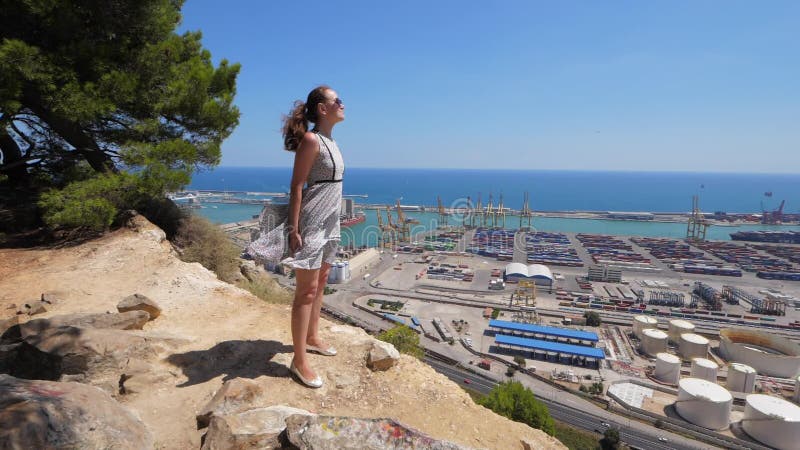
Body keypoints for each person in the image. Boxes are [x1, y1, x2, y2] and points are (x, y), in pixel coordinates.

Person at [281, 85, 345, 388]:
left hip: (331, 221)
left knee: (321, 279)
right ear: (323, 108)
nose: (343, 105)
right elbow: (296, 186)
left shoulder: (331, 140)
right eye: (338, 101)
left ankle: (312, 337)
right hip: (311, 221)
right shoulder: (311, 140)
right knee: (305, 291)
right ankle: (298, 360)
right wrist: (294, 229)